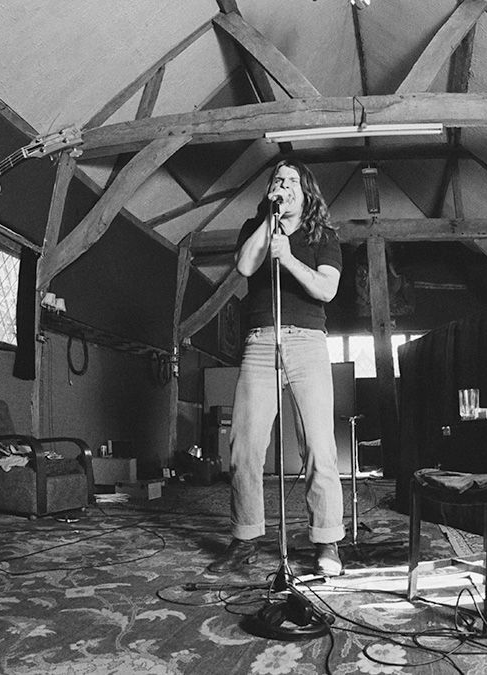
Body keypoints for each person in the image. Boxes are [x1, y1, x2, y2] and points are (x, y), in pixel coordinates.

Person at [207, 160, 345, 577]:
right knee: (244, 446)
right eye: (276, 180)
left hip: (307, 343)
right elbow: (246, 267)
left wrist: (287, 258)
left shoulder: (324, 235)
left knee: (319, 447)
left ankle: (327, 542)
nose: (282, 185)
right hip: (260, 341)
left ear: (306, 193)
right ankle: (245, 538)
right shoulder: (257, 225)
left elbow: (326, 288)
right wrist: (270, 226)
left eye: (291, 181)